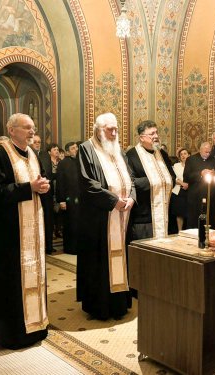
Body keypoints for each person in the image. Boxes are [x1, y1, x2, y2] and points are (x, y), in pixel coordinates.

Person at [0, 113, 50, 349]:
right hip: (10, 232)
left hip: (34, 228)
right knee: (11, 282)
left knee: (35, 276)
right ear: (12, 130)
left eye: (33, 128)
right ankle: (12, 334)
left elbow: (37, 182)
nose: (32, 132)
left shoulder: (33, 154)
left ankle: (36, 328)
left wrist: (42, 187)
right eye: (27, 128)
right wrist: (29, 188)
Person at [77, 112, 135, 320]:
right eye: (109, 129)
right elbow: (87, 184)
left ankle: (119, 303)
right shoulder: (87, 149)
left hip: (122, 216)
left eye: (115, 129)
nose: (113, 133)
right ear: (98, 130)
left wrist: (131, 199)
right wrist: (114, 201)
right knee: (100, 262)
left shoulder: (119, 151)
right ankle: (100, 306)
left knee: (121, 260)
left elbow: (131, 179)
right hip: (99, 218)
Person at [126, 120, 175, 240]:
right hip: (144, 216)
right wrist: (154, 181)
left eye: (156, 132)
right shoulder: (132, 155)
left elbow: (172, 176)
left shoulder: (162, 153)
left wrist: (165, 181)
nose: (156, 136)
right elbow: (130, 182)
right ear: (141, 137)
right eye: (152, 134)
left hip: (165, 212)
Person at [183, 141, 215, 229]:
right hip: (195, 195)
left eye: (209, 152)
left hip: (209, 194)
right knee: (194, 219)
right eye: (206, 152)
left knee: (209, 219)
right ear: (200, 150)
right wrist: (201, 173)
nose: (208, 154)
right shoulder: (191, 159)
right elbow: (186, 177)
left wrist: (214, 173)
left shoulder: (214, 159)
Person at [57, 141, 81, 254]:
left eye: (76, 147)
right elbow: (60, 183)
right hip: (68, 199)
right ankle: (70, 248)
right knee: (70, 224)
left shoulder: (81, 161)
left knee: (79, 224)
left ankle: (79, 247)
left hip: (80, 199)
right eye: (72, 148)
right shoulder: (63, 163)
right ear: (67, 151)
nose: (75, 149)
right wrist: (61, 200)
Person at [170, 148, 190, 231]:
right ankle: (179, 231)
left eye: (185, 153)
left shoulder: (192, 165)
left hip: (190, 191)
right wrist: (182, 183)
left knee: (189, 213)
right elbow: (173, 178)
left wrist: (189, 185)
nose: (183, 155)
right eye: (181, 154)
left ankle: (188, 231)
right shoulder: (176, 166)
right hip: (178, 191)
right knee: (179, 213)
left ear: (189, 155)